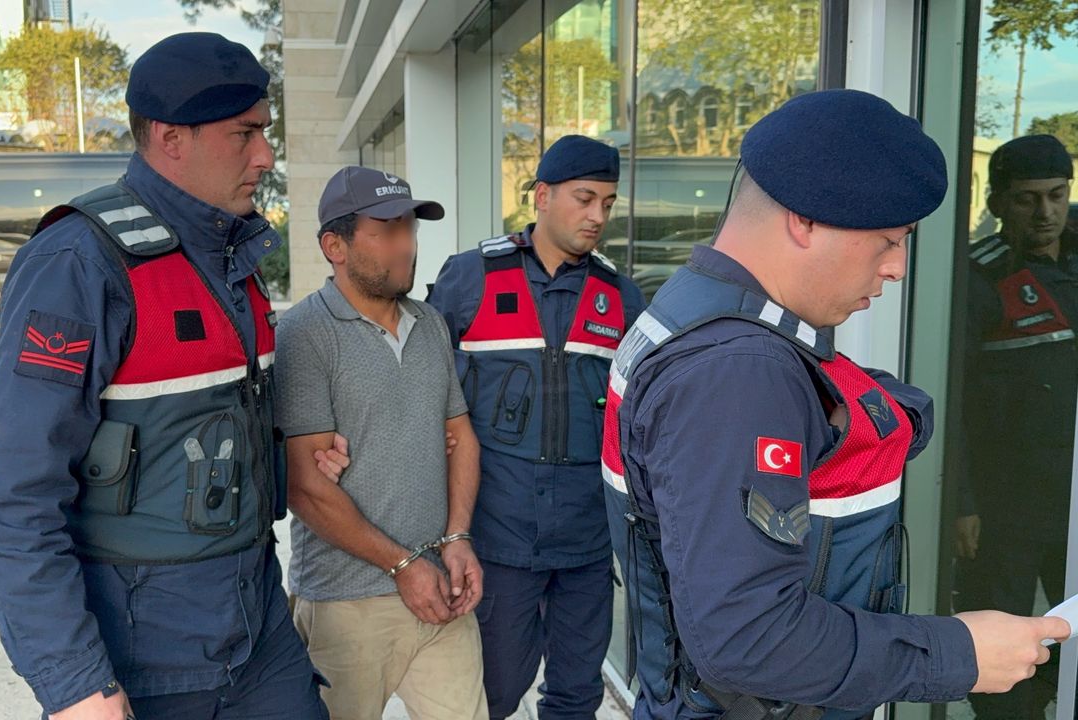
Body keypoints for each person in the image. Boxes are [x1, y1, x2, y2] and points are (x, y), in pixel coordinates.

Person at [600, 89, 1071, 720]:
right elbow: (747, 637)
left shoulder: (694, 309)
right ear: (806, 219)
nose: (898, 267)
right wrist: (958, 652)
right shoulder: (737, 369)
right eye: (889, 239)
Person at [0, 32, 347, 720]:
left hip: (259, 634)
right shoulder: (80, 263)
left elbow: (202, 429)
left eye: (265, 131)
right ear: (171, 138)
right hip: (147, 660)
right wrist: (76, 685)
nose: (265, 155)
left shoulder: (232, 254)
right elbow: (7, 501)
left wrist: (295, 453)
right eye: (245, 134)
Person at [427, 135, 644, 720]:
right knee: (493, 692)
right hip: (498, 538)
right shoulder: (471, 277)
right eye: (584, 199)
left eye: (607, 203)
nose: (598, 216)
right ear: (542, 196)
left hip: (586, 544)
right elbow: (419, 384)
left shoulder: (621, 297)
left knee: (576, 696)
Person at [275, 165, 489, 720]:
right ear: (335, 246)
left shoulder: (430, 323)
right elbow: (306, 485)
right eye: (387, 231)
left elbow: (460, 436)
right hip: (346, 602)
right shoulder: (304, 333)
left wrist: (457, 538)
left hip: (441, 590)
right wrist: (403, 566)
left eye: (410, 229)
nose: (407, 246)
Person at [956, 133, 1076, 720]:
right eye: (1028, 199)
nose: (1046, 212)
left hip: (1071, 498)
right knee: (1001, 646)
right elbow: (952, 400)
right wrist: (960, 503)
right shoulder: (977, 279)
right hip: (1004, 502)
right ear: (998, 202)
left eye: (1057, 194)